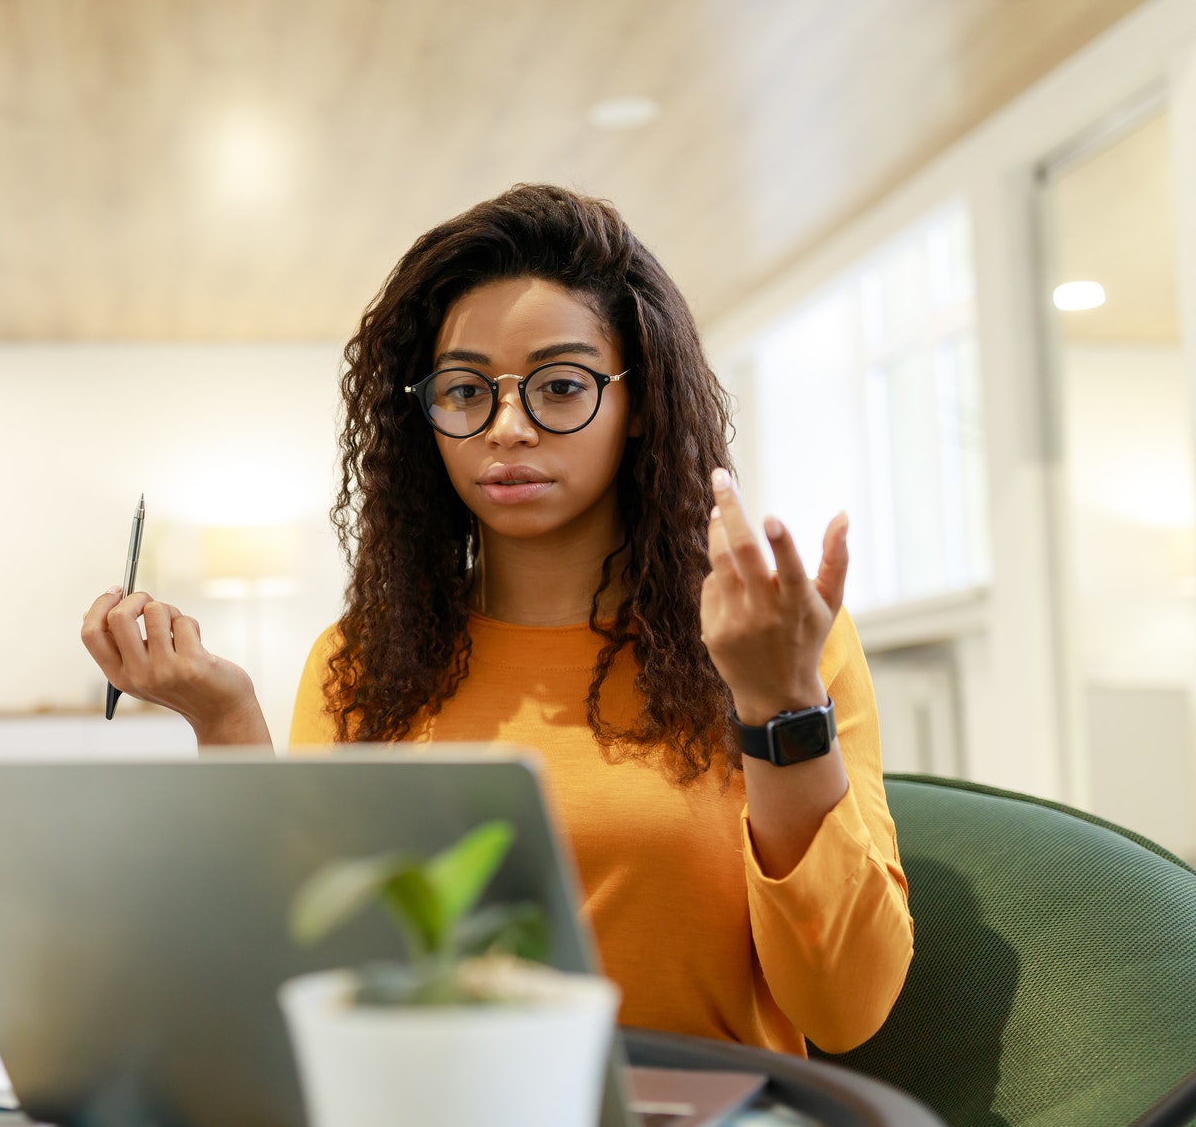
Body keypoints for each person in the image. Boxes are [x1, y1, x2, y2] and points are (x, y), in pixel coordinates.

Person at [81, 184, 911, 1056]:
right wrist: (224, 718)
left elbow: (846, 1006)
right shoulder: (360, 662)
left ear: (639, 405)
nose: (507, 428)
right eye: (465, 391)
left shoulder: (776, 643)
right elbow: (303, 968)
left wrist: (780, 703)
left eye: (559, 387)